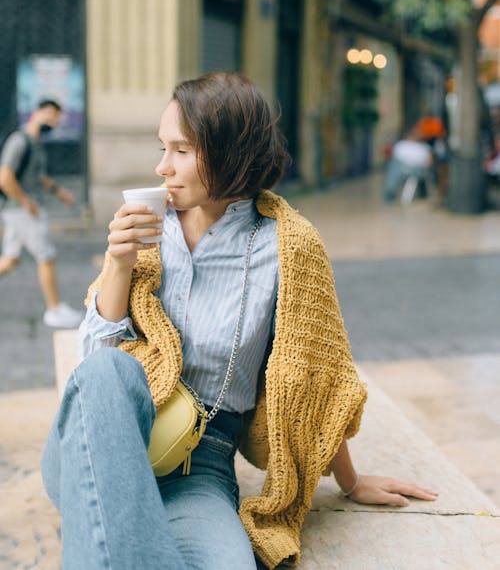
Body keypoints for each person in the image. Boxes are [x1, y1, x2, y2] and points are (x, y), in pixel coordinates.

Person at [41, 73, 438, 570]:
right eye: (162, 148)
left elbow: (314, 379)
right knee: (110, 373)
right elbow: (93, 365)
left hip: (200, 464)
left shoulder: (289, 247)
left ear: (230, 151)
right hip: (99, 442)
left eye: (180, 151)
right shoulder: (145, 228)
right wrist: (119, 264)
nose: (162, 167)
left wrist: (351, 481)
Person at [0, 99, 83, 328]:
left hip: (22, 209)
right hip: (21, 210)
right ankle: (54, 310)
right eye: (50, 114)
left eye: (56, 118)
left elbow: (37, 176)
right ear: (36, 113)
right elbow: (4, 177)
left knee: (10, 260)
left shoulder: (35, 142)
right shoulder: (19, 141)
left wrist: (59, 192)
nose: (53, 121)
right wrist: (26, 203)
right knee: (46, 256)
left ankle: (55, 309)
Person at [382, 128, 433, 202]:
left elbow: (428, 163)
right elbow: (428, 163)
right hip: (408, 170)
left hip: (411, 171)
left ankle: (390, 194)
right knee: (394, 168)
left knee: (393, 169)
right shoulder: (403, 145)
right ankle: (391, 192)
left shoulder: (421, 147)